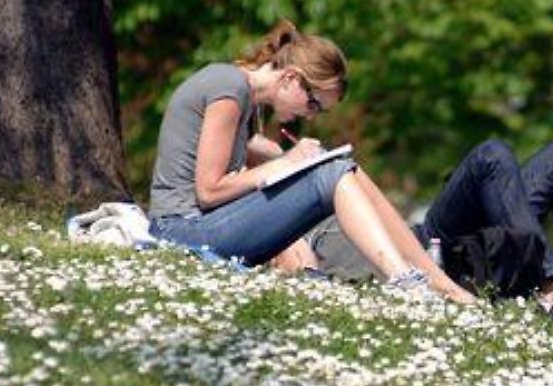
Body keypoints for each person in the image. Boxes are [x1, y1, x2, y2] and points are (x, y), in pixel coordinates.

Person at [146, 19, 474, 304]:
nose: (311, 115)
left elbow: (247, 149)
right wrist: (287, 163)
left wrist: (296, 159)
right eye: (314, 103)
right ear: (290, 78)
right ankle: (406, 282)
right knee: (332, 174)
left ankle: (437, 283)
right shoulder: (228, 88)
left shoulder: (243, 98)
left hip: (203, 227)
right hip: (183, 230)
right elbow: (209, 190)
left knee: (345, 169)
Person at [305, 140, 553, 320]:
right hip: (434, 261)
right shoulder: (280, 227)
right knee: (491, 155)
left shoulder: (316, 175)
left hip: (430, 238)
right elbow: (295, 264)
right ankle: (543, 287)